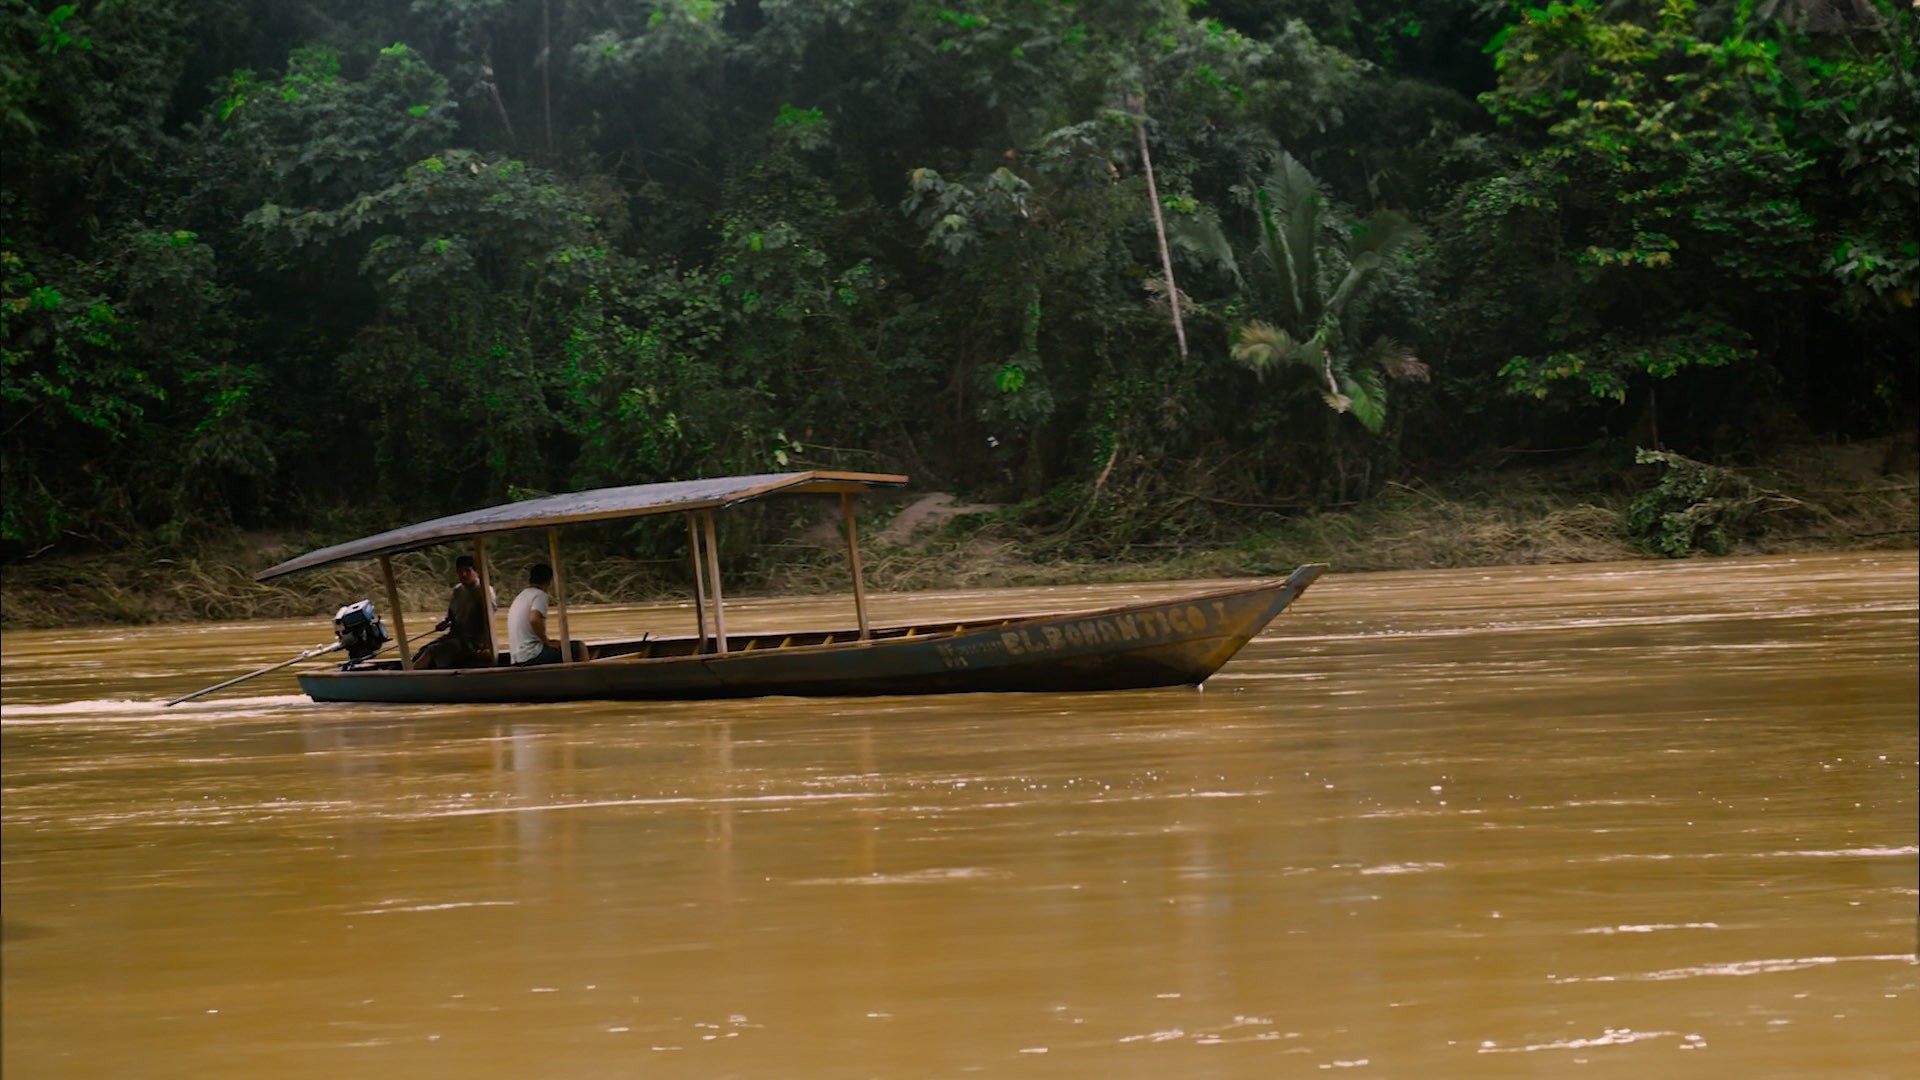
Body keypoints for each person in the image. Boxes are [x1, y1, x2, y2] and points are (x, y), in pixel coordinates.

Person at [411, 555, 496, 669]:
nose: (463, 574)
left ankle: (411, 675)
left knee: (433, 651)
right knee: (423, 651)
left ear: (477, 572)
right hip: (454, 637)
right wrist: (444, 622)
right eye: (460, 571)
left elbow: (489, 621)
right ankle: (413, 669)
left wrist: (486, 647)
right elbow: (450, 616)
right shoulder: (457, 590)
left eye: (467, 571)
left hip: (472, 642)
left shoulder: (485, 591)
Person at [507, 562, 588, 666]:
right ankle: (588, 678)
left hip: (516, 656)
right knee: (580, 647)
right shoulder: (540, 595)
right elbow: (534, 619)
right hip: (531, 655)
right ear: (549, 581)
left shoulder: (521, 596)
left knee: (561, 645)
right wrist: (547, 641)